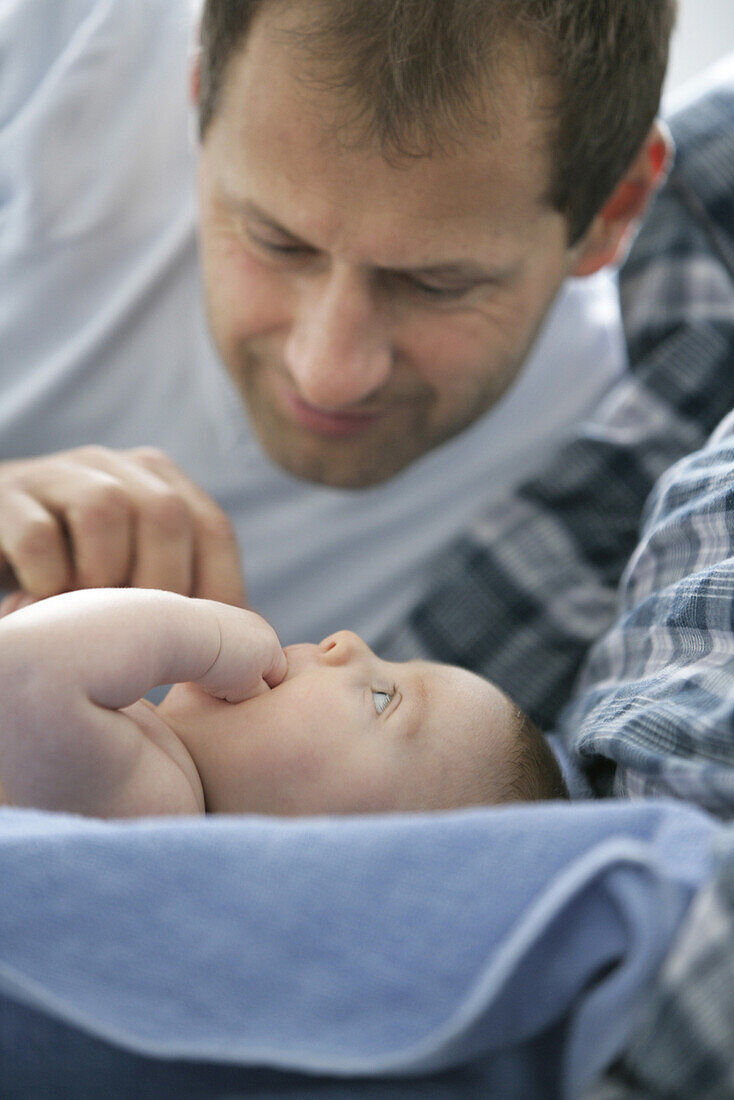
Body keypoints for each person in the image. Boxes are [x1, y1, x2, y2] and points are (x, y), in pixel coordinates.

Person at [0, 0, 675, 656]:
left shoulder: (614, 470)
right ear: (200, 91)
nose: (326, 372)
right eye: (275, 242)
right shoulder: (59, 48)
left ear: (614, 209)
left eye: (439, 285)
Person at [0, 588, 566, 818]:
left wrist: (202, 632)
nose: (346, 642)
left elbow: (20, 682)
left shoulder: (163, 804)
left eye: (381, 697)